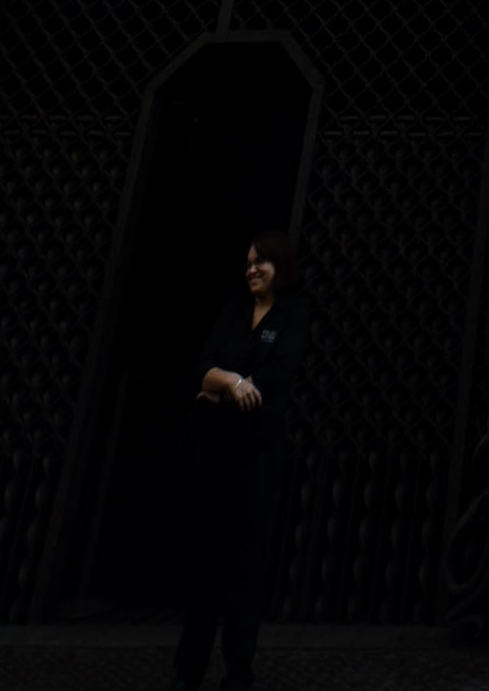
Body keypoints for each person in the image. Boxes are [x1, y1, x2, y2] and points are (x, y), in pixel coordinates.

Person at [174, 232, 309, 691]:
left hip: (257, 459)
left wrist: (217, 390)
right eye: (249, 263)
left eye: (262, 262)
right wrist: (232, 381)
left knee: (245, 568)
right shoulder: (234, 312)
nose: (252, 269)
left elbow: (277, 379)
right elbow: (203, 367)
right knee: (204, 563)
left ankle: (237, 672)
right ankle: (187, 669)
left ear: (280, 267)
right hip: (214, 456)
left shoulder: (293, 316)